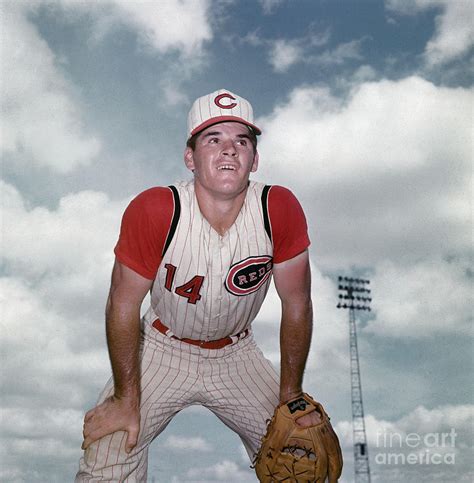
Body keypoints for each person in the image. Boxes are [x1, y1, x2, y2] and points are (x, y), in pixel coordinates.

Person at [77, 88, 322, 481]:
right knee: (107, 456)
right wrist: (125, 398)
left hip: (236, 356)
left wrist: (290, 395)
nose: (229, 150)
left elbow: (297, 304)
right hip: (159, 349)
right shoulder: (157, 208)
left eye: (241, 141)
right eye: (214, 139)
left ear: (254, 159)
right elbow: (121, 307)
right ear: (190, 157)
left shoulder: (278, 208)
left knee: (302, 457)